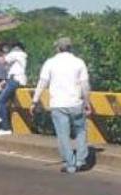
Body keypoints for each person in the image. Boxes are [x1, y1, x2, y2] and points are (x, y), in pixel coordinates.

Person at [30, 37, 92, 174]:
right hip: (76, 103)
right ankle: (81, 160)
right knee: (81, 131)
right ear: (70, 48)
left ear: (57, 48)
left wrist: (35, 100)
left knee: (63, 135)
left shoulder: (50, 63)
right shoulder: (79, 62)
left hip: (58, 104)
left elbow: (42, 83)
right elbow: (85, 85)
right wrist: (87, 102)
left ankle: (70, 164)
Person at [0, 41, 27, 136]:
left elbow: (2, 60)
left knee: (1, 102)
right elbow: (6, 65)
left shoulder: (17, 53)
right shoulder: (19, 56)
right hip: (11, 79)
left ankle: (5, 128)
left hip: (14, 80)